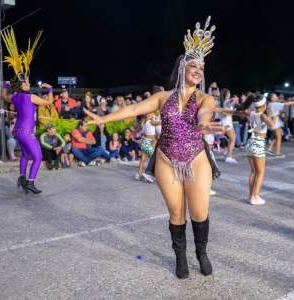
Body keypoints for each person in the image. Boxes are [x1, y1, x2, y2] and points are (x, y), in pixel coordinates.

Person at [84, 16, 223, 279]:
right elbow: (135, 109)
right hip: (166, 159)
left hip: (196, 158)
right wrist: (103, 118)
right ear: (182, 68)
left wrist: (205, 125)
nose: (199, 71)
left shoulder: (206, 97)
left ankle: (201, 252)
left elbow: (205, 114)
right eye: (194, 66)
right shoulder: (162, 97)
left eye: (202, 68)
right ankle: (180, 258)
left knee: (199, 211)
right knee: (176, 212)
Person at [2, 76, 53, 193]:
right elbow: (49, 102)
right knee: (38, 157)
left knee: (25, 155)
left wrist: (5, 84)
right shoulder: (31, 97)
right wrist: (50, 89)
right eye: (27, 82)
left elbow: (3, 96)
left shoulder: (14, 97)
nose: (29, 84)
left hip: (18, 130)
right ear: (23, 85)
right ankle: (30, 182)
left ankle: (22, 178)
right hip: (26, 131)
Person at [265, 93, 294, 158]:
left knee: (278, 136)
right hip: (274, 122)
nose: (277, 97)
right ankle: (278, 153)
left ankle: (269, 149)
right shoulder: (275, 104)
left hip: (270, 122)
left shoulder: (269, 104)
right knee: (279, 137)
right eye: (275, 96)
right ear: (271, 98)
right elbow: (285, 104)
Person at [135, 112, 161, 182]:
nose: (153, 115)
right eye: (152, 114)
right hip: (148, 143)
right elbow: (160, 123)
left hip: (143, 141)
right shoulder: (150, 122)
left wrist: (132, 133)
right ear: (148, 115)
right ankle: (149, 174)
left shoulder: (143, 123)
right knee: (153, 159)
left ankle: (138, 174)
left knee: (143, 159)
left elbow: (138, 130)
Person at [219, 89, 237, 163]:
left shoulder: (223, 102)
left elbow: (230, 107)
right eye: (229, 92)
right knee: (233, 139)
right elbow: (230, 101)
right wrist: (234, 99)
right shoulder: (227, 101)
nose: (230, 93)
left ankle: (227, 153)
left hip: (226, 121)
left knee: (230, 139)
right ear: (226, 94)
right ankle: (229, 157)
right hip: (227, 122)